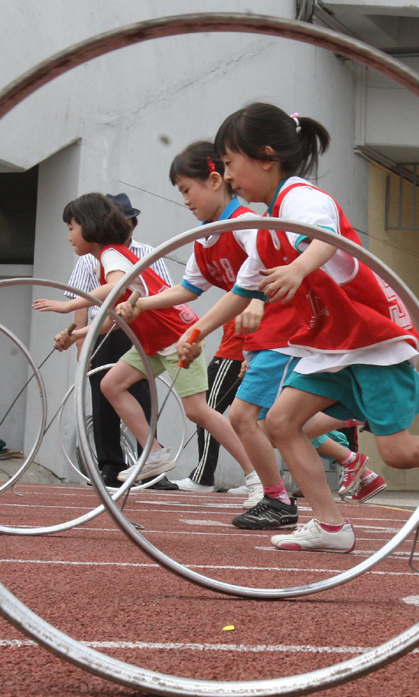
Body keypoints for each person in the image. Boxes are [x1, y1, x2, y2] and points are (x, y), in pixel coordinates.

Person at [177, 102, 419, 551]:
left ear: (265, 156)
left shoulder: (301, 198)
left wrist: (298, 269)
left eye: (230, 164)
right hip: (328, 345)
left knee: (401, 453)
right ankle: (330, 526)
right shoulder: (266, 224)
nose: (227, 177)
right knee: (280, 421)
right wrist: (195, 332)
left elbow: (324, 239)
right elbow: (241, 291)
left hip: (370, 338)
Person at [123, 141, 376, 522]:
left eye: (187, 189)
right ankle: (316, 499)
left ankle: (282, 494)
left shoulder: (262, 221)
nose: (229, 176)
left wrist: (252, 304)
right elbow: (210, 288)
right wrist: (161, 313)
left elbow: (276, 268)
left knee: (253, 417)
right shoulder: (213, 235)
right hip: (263, 334)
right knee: (274, 420)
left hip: (288, 330)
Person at [32, 192, 255, 488]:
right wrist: (76, 334)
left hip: (177, 338)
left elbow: (115, 286)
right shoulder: (108, 258)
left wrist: (69, 306)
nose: (69, 235)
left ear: (89, 226)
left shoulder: (111, 255)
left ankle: (256, 476)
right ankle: (153, 453)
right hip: (150, 342)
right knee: (110, 384)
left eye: (72, 227)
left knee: (197, 411)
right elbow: (113, 320)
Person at [64, 192, 177, 491]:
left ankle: (149, 463)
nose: (120, 226)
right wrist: (80, 342)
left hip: (138, 331)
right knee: (104, 394)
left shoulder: (142, 252)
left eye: (125, 220)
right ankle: (111, 466)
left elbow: (159, 293)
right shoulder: (92, 256)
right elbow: (82, 299)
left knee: (141, 393)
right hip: (106, 329)